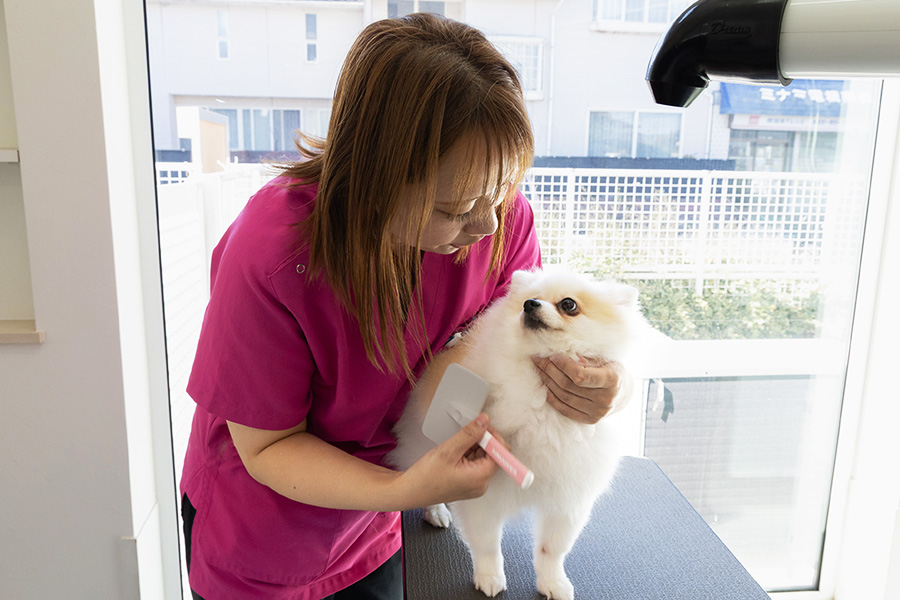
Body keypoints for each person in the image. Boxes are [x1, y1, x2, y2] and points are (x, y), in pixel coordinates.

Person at [180, 12, 624, 600]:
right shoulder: (273, 256)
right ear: (374, 176)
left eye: (498, 194)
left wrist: (594, 388)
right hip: (268, 531)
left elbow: (513, 355)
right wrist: (411, 489)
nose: (486, 224)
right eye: (455, 206)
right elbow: (267, 446)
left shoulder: (501, 221)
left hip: (384, 517)